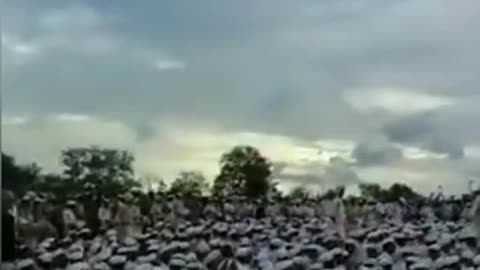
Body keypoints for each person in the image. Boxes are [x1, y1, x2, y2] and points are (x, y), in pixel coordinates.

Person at [2, 189, 17, 263]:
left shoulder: (10, 218)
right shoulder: (8, 220)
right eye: (10, 202)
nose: (11, 205)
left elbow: (11, 240)